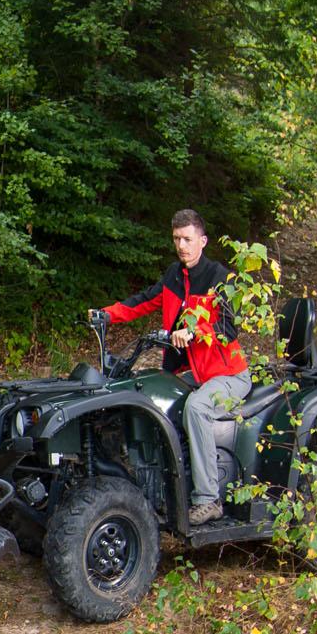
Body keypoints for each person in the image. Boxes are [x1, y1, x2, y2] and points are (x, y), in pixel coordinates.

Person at [91, 208, 251, 525]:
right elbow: (144, 301)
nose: (182, 245)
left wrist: (194, 332)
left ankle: (208, 500)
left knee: (196, 408)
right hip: (191, 372)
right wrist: (106, 314)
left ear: (202, 241)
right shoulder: (173, 276)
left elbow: (229, 330)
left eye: (188, 239)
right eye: (177, 238)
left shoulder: (220, 278)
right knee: (150, 397)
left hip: (227, 374)